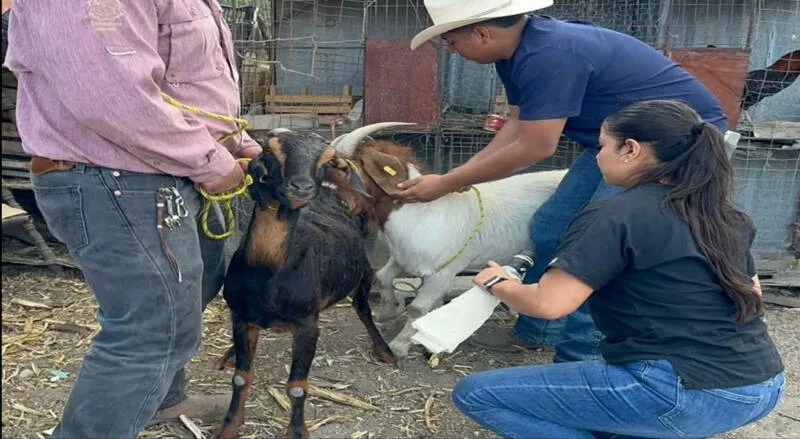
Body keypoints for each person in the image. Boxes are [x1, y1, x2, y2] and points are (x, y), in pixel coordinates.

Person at [403, 0, 732, 362]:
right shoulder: (515, 53)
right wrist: (462, 175)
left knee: (599, 242)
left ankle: (580, 354)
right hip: (614, 143)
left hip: (670, 146)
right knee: (550, 226)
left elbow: (535, 146)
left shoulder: (548, 55)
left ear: (481, 33)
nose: (453, 51)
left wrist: (446, 184)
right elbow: (518, 124)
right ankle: (539, 330)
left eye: (452, 42)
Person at [453, 99, 785, 439]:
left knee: (477, 394)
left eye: (602, 146)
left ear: (630, 149)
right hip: (762, 385)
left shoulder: (614, 214)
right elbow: (753, 295)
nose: (598, 156)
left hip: (680, 390)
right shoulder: (725, 214)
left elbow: (548, 304)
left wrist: (498, 283)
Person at [4, 1, 261, 437]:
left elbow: (184, 79)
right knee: (151, 330)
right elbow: (109, 95)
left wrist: (235, 141)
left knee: (187, 295)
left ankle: (162, 399)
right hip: (117, 176)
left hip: (157, 171)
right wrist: (211, 161)